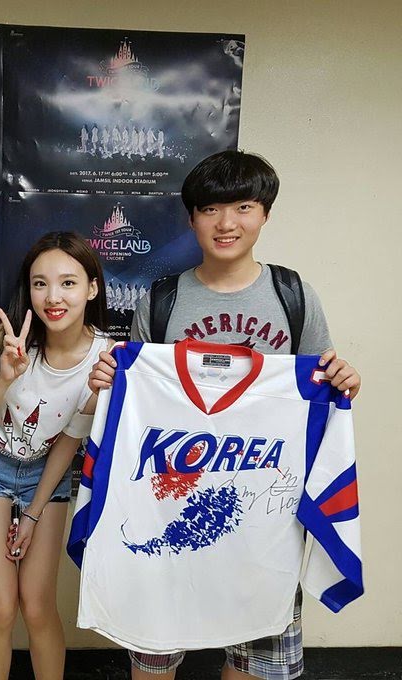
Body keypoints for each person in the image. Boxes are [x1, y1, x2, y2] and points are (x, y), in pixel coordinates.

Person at [88, 149, 361, 680]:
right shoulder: (162, 301)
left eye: (243, 207)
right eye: (211, 209)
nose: (227, 223)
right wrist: (109, 386)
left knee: (256, 660)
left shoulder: (294, 295)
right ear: (191, 219)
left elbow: (321, 389)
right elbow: (136, 407)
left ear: (265, 214)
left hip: (266, 515)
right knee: (154, 656)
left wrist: (345, 383)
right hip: (171, 505)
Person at [0, 231, 109, 680]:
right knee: (1, 606)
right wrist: (5, 375)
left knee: (38, 605)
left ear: (92, 289)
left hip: (49, 468)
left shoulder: (106, 357)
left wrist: (34, 514)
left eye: (68, 283)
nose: (53, 297)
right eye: (40, 283)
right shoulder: (5, 337)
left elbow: (70, 440)